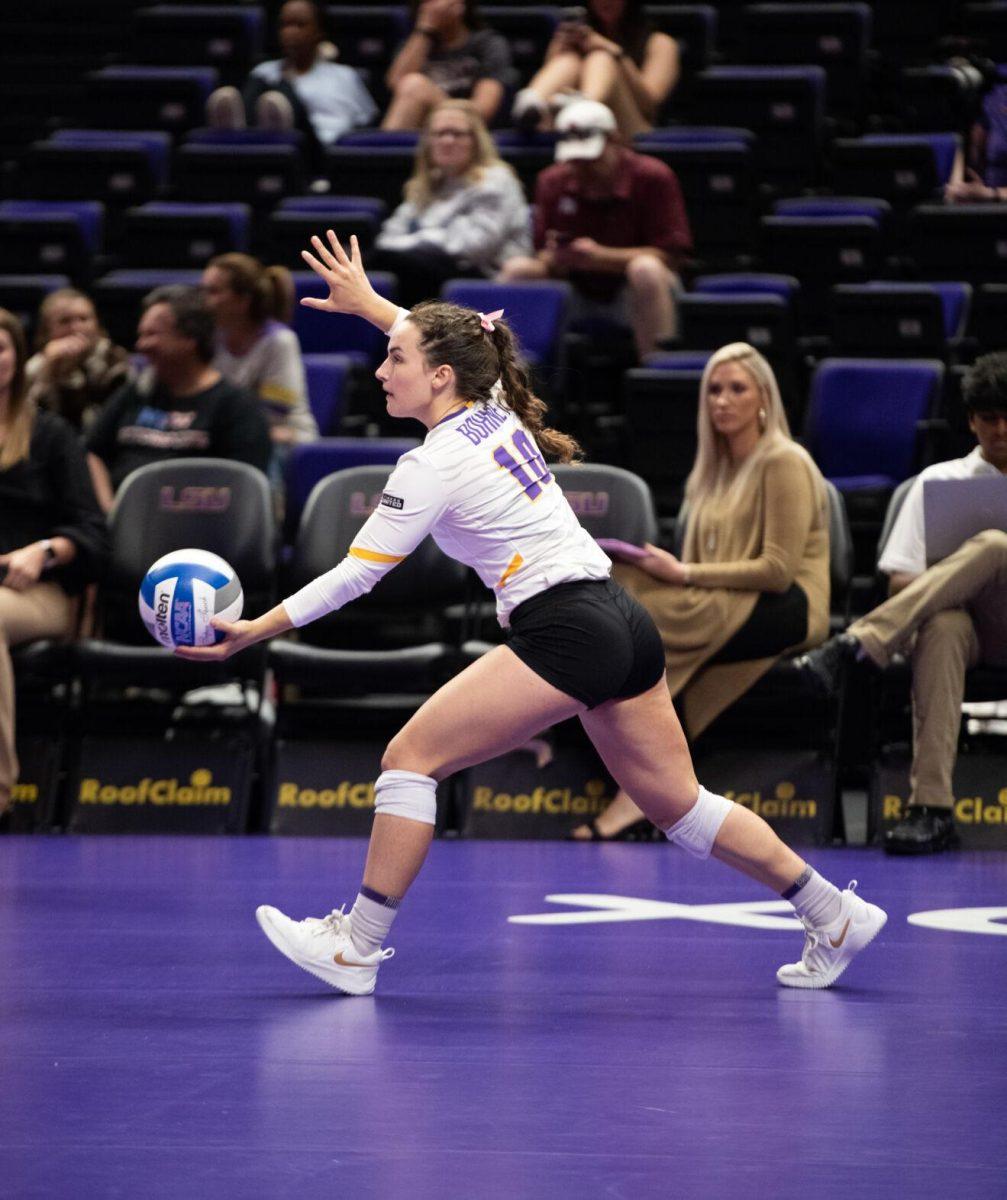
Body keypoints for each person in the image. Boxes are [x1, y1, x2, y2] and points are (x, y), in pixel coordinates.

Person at [177, 229, 885, 996]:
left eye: (395, 361)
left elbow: (354, 577)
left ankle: (357, 943)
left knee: (409, 761)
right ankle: (829, 911)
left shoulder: (431, 463)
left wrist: (255, 628)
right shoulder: (489, 406)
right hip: (618, 617)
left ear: (439, 376)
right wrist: (372, 308)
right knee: (679, 808)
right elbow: (450, 346)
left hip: (565, 630)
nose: (381, 369)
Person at [570, 343, 831, 840]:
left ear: (763, 399)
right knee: (620, 588)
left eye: (737, 389)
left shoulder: (785, 461)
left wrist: (683, 575)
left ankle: (628, 785)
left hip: (789, 605)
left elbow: (777, 570)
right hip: (725, 598)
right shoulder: (710, 471)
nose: (723, 400)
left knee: (631, 616)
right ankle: (642, 791)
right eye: (714, 389)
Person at [796, 351, 1007, 856]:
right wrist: (959, 580)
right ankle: (930, 809)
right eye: (989, 418)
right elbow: (900, 581)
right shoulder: (938, 482)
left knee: (996, 546)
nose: (1001, 429)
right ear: (973, 421)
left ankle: (858, 641)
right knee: (944, 626)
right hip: (971, 634)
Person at [0, 308, 108, 815]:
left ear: (18, 361)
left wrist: (42, 551)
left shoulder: (50, 436)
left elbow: (91, 530)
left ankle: (0, 790)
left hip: (33, 592)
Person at [499, 99, 690, 359]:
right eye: (575, 160)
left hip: (636, 291)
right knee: (517, 270)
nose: (582, 168)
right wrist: (559, 257)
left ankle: (657, 372)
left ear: (615, 140)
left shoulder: (653, 177)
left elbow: (672, 258)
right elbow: (542, 255)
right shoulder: (552, 180)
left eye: (591, 159)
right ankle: (512, 376)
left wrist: (599, 257)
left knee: (645, 269)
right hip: (576, 290)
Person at [85, 286, 271, 511]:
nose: (141, 345)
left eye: (152, 335)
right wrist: (110, 511)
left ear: (190, 339)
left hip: (198, 532)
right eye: (141, 335)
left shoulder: (236, 408)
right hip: (121, 530)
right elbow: (93, 453)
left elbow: (242, 487)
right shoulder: (135, 393)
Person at [370, 100, 531, 307]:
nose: (447, 141)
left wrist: (418, 239)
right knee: (378, 265)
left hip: (483, 278)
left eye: (456, 133)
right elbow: (387, 239)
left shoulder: (495, 180)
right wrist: (424, 241)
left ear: (476, 141)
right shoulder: (427, 184)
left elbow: (473, 247)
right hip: (426, 269)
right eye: (439, 134)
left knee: (402, 266)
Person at [206, 0, 377, 164]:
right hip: (261, 147)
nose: (290, 32)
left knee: (278, 92)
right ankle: (234, 134)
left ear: (319, 32)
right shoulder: (264, 71)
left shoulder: (343, 76)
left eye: (299, 25)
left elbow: (367, 121)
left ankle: (278, 117)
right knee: (260, 82)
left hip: (318, 151)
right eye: (285, 25)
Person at [201, 254, 318, 460]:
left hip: (285, 438)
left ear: (243, 300)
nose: (203, 301)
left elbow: (275, 413)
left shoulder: (279, 341)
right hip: (226, 434)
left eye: (213, 292)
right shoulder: (209, 337)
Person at [511, 0, 679, 138]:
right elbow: (555, 84)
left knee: (601, 58)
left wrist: (614, 53)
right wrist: (560, 48)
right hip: (570, 128)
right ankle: (530, 101)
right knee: (568, 60)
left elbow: (649, 106)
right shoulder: (576, 35)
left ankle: (585, 107)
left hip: (632, 129)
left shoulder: (661, 43)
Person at [382, 0, 514, 131]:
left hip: (471, 131)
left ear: (461, 5)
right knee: (412, 85)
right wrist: (425, 30)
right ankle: (387, 152)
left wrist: (433, 101)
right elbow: (397, 84)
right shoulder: (413, 45)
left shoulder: (488, 44)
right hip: (422, 130)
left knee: (415, 86)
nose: (432, 7)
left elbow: (483, 112)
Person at [24, 289, 131, 432]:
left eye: (84, 319)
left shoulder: (114, 359)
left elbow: (112, 419)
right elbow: (25, 416)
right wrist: (49, 370)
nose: (76, 328)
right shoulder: (35, 366)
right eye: (64, 321)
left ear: (97, 325)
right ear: (46, 331)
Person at [944, 80, 1007, 203]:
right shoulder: (992, 97)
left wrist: (993, 194)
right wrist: (958, 190)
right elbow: (969, 148)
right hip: (985, 209)